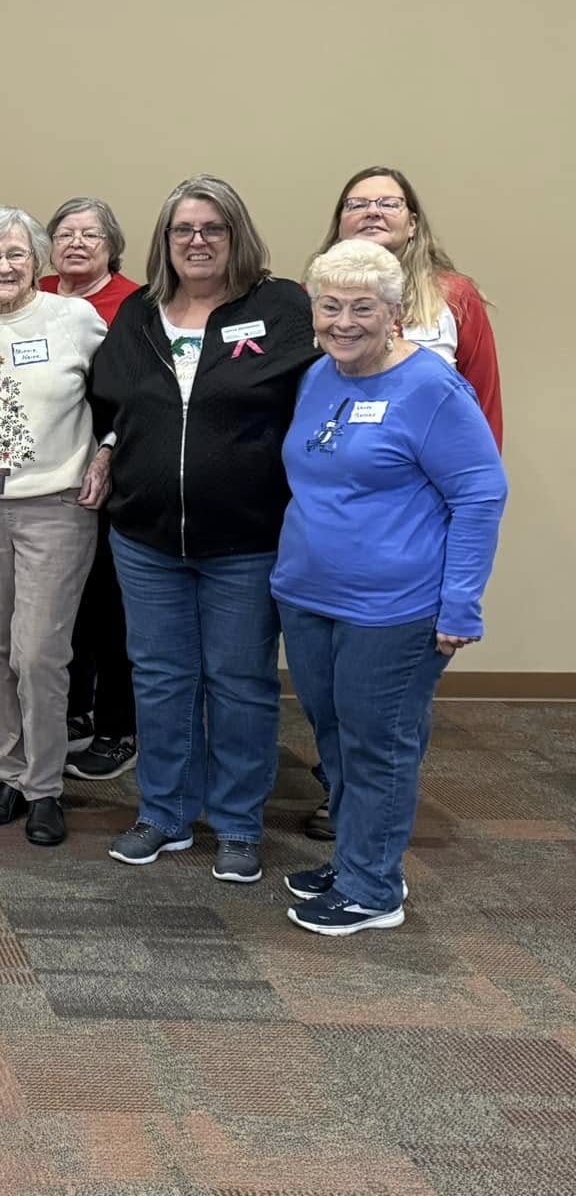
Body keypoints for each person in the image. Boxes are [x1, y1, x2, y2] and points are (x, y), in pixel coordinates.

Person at [89, 178, 318, 883]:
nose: (197, 241)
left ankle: (239, 824)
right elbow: (114, 401)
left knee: (240, 682)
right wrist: (103, 449)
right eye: (183, 229)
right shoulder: (140, 312)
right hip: (145, 536)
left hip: (245, 539)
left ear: (236, 235)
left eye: (212, 228)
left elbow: (314, 393)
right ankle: (163, 813)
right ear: (164, 241)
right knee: (160, 679)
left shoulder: (278, 307)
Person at [274, 240, 505, 934]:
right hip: (310, 595)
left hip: (393, 608)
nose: (343, 322)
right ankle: (358, 858)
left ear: (396, 311)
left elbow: (480, 494)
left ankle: (373, 890)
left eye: (362, 308)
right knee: (338, 739)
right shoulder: (319, 376)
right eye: (330, 306)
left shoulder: (430, 386)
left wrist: (461, 603)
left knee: (381, 743)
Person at [0, 208, 108, 847]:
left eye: (16, 254)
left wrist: (108, 451)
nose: (4, 266)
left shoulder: (74, 319)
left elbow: (126, 393)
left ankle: (45, 787)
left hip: (56, 507)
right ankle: (8, 774)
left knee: (38, 653)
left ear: (37, 259)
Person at [39, 197, 144, 781]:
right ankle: (76, 711)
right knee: (62, 605)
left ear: (111, 246)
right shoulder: (37, 294)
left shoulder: (134, 303)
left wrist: (108, 450)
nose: (77, 243)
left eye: (91, 234)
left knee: (109, 607)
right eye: (66, 233)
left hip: (108, 473)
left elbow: (139, 396)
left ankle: (117, 727)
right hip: (45, 481)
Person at [319, 167, 500, 449]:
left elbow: (483, 400)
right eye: (357, 205)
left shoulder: (456, 296)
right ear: (340, 225)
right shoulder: (315, 297)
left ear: (413, 224)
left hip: (435, 463)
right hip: (339, 464)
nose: (373, 212)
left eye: (389, 204)